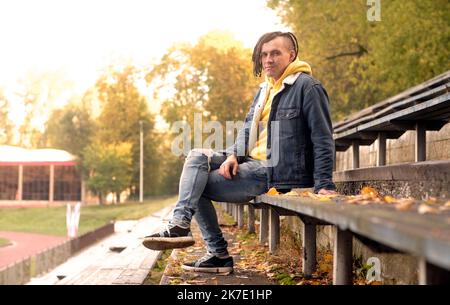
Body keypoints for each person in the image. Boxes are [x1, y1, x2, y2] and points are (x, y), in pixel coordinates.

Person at [143, 31, 336, 273]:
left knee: (196, 186)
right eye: (264, 54)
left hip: (275, 171)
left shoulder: (308, 88)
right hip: (250, 160)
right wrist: (233, 155)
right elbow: (247, 129)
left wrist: (324, 183)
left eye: (275, 53)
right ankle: (180, 223)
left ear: (291, 55)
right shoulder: (265, 89)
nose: (268, 60)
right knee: (196, 156)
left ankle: (218, 254)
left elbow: (322, 137)